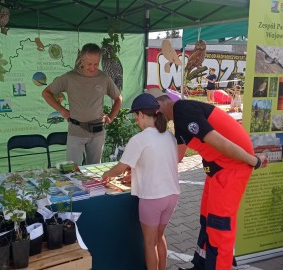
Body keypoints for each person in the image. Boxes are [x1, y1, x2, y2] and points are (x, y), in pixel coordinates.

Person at [146, 88, 269, 270]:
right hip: (218, 169)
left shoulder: (183, 110)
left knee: (219, 226)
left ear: (160, 105)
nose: (154, 120)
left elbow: (221, 143)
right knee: (206, 220)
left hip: (233, 167)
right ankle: (202, 265)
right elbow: (175, 158)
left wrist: (255, 161)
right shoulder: (180, 120)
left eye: (152, 114)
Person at [101, 93, 180, 270]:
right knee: (160, 237)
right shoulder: (168, 136)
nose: (135, 120)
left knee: (150, 243)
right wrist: (135, 173)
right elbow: (158, 163)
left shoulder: (139, 139)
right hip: (172, 195)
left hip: (153, 197)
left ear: (142, 115)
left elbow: (119, 168)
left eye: (136, 116)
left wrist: (107, 173)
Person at [42, 43, 122, 165]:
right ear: (81, 59)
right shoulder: (70, 77)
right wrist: (62, 110)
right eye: (89, 64)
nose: (93, 67)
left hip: (97, 133)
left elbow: (118, 98)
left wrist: (110, 117)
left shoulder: (103, 78)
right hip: (76, 132)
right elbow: (46, 93)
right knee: (72, 171)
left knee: (94, 171)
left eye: (96, 64)